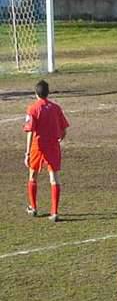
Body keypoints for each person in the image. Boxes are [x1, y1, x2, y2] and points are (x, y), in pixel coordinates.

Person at [23, 80, 70, 222]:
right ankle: (54, 212)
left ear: (36, 93)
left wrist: (27, 152)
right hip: (52, 146)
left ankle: (33, 207)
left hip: (38, 146)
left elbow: (30, 131)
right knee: (54, 177)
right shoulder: (56, 108)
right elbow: (64, 129)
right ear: (48, 93)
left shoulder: (32, 109)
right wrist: (59, 139)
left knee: (33, 175)